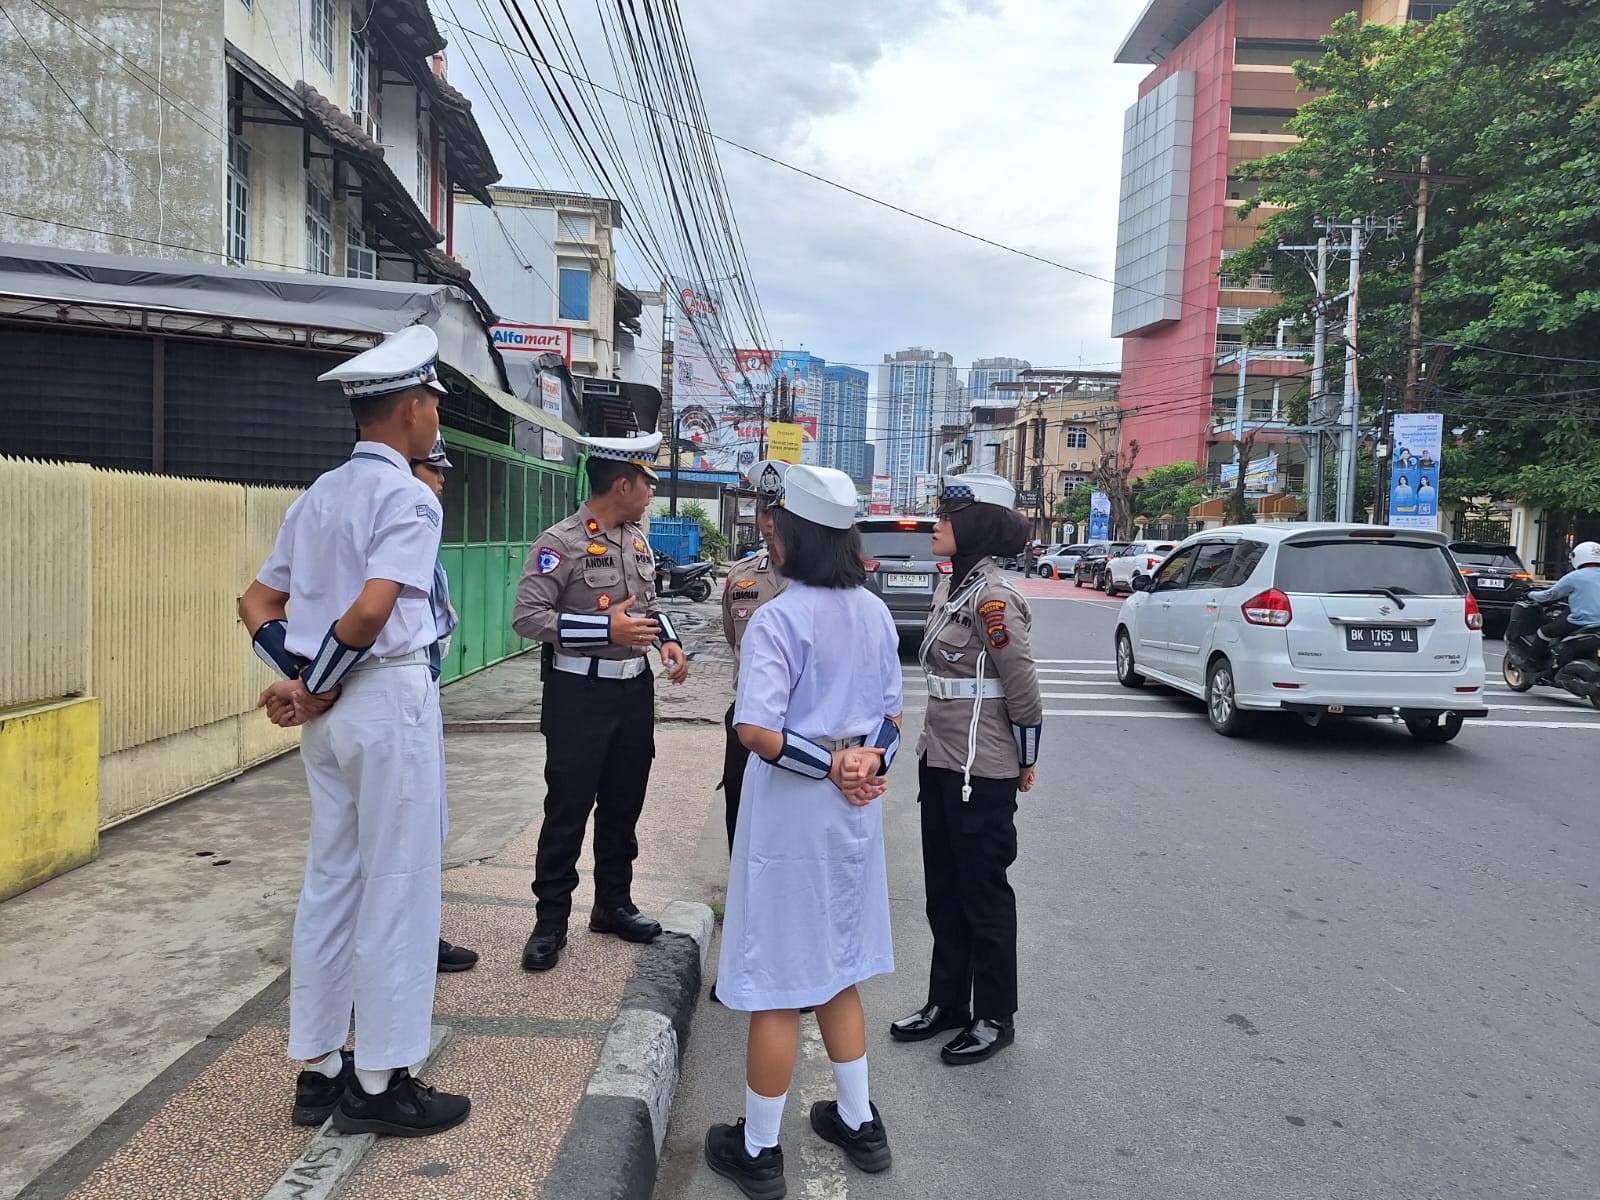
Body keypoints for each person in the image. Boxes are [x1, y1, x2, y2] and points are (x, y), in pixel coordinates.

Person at [238, 324, 470, 1136]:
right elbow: (373, 612)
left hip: (333, 719)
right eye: (434, 403)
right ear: (411, 408)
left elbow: (256, 603)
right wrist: (317, 685)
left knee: (332, 881)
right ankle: (379, 1083)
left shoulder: (320, 494)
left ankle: (320, 1069)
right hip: (383, 700)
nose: (436, 417)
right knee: (398, 885)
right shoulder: (408, 497)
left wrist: (304, 680)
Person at [704, 465, 903, 1199]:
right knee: (837, 968)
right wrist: (864, 761)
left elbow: (756, 730)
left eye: (773, 527)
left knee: (779, 982)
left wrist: (829, 767)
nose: (769, 538)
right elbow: (891, 717)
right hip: (853, 809)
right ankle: (858, 1122)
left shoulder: (778, 619)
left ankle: (759, 1149)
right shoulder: (874, 612)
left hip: (795, 808)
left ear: (792, 537)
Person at [512, 431, 689, 973]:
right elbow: (527, 618)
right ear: (622, 484)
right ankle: (550, 921)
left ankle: (613, 905)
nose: (651, 493)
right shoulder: (559, 543)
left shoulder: (636, 541)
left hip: (633, 691)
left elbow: (648, 606)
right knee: (567, 811)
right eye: (647, 483)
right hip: (578, 695)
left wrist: (668, 641)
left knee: (623, 804)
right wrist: (603, 628)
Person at [890, 473, 1041, 1067]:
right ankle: (948, 1001)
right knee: (944, 892)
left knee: (983, 896)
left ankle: (994, 1015)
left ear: (976, 526)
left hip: (984, 767)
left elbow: (1021, 684)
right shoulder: (952, 587)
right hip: (942, 761)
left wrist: (1026, 756)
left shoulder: (993, 599)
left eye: (948, 518)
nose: (936, 526)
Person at [410, 441, 479, 975]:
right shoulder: (402, 523)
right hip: (394, 687)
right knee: (406, 827)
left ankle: (419, 932)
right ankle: (408, 942)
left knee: (427, 823)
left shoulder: (421, 530)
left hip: (421, 685)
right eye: (433, 469)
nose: (442, 480)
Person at [1528, 540, 1600, 654]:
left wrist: (1530, 594)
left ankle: (1533, 661)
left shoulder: (1573, 577)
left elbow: (1549, 595)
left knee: (1544, 632)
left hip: (1579, 624)